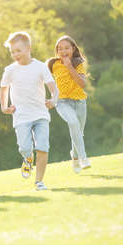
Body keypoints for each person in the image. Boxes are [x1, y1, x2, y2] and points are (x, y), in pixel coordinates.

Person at [0, 31, 58, 191]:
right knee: (25, 147)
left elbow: (53, 87)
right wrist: (4, 107)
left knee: (43, 147)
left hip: (40, 114)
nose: (15, 54)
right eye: (12, 52)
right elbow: (3, 88)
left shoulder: (40, 67)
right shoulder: (10, 70)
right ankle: (28, 158)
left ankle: (39, 181)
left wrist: (54, 100)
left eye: (18, 50)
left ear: (28, 48)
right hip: (21, 116)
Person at [46, 35, 91, 173]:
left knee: (78, 132)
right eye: (60, 49)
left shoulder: (77, 63)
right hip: (62, 102)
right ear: (57, 51)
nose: (63, 51)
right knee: (73, 123)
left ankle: (75, 158)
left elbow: (82, 84)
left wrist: (69, 67)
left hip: (80, 102)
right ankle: (83, 159)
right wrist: (52, 98)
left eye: (66, 48)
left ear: (73, 48)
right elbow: (45, 80)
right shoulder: (52, 64)